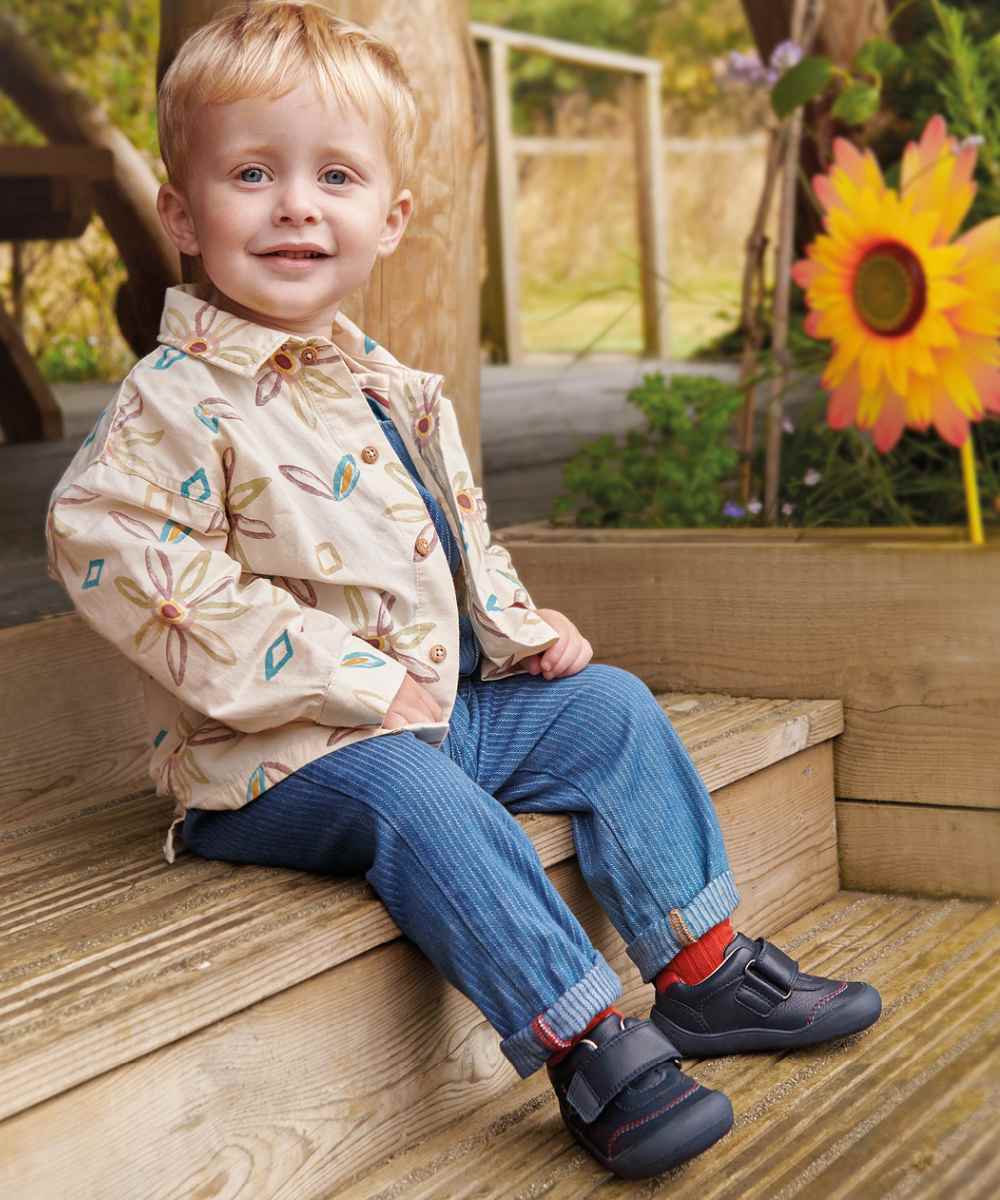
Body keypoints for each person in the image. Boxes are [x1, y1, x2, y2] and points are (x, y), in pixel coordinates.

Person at [44, 1, 881, 1180]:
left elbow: (447, 541)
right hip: (278, 765)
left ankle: (702, 971)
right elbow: (113, 548)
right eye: (250, 172)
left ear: (388, 218)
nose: (296, 203)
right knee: (410, 795)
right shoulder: (176, 403)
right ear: (182, 213)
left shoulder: (391, 387)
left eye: (334, 174)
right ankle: (590, 1044)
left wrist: (515, 627)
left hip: (442, 713)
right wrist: (350, 679)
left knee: (612, 711)